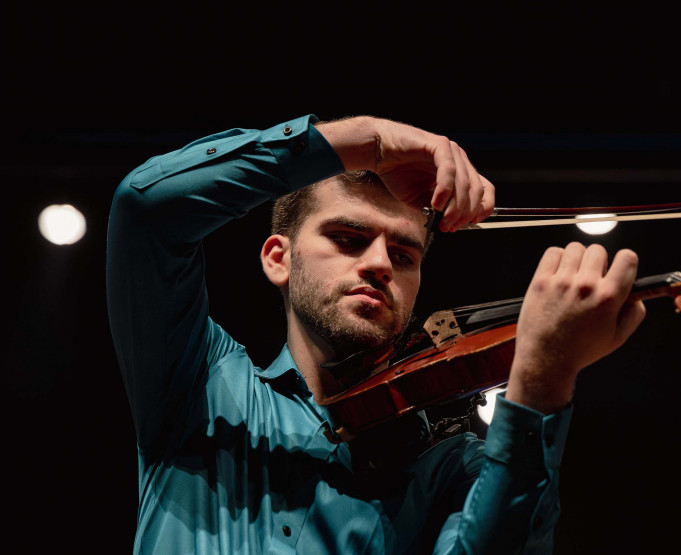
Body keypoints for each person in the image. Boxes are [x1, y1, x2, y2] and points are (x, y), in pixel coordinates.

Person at [106, 114, 646, 554]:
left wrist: (542, 379)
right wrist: (367, 141)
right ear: (278, 258)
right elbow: (147, 207)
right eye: (348, 238)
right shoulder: (202, 385)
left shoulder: (447, 468)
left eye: (404, 255)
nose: (381, 264)